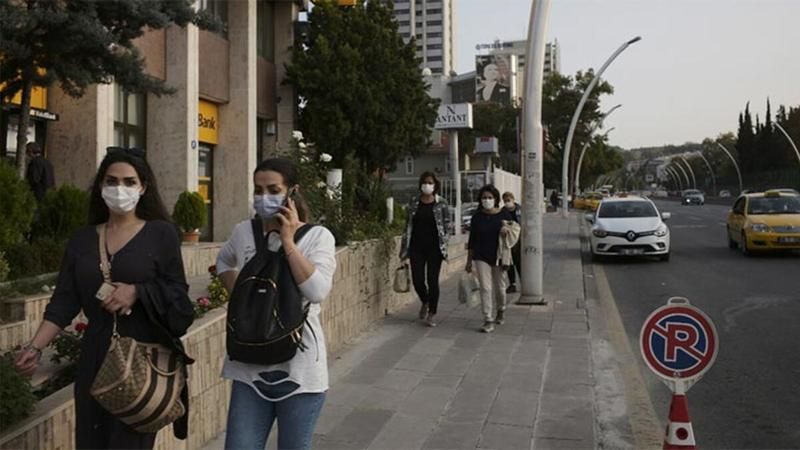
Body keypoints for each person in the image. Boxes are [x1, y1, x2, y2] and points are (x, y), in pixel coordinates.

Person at [14, 148, 194, 449]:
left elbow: (178, 293)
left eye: (128, 181)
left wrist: (137, 291)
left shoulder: (161, 234)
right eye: (111, 181)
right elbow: (63, 302)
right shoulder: (82, 239)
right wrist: (34, 348)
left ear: (143, 187)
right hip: (96, 358)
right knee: (91, 441)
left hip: (141, 359)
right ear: (100, 186)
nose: (119, 189)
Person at [217, 158, 336, 450]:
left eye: (273, 189)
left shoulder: (318, 237)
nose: (264, 198)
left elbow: (317, 290)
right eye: (258, 190)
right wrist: (241, 298)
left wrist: (288, 242)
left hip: (300, 371)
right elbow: (223, 261)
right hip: (248, 368)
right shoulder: (244, 232)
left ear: (291, 193)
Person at [399, 172, 451, 327]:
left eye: (430, 182)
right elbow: (407, 226)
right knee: (418, 280)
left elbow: (447, 226)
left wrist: (444, 244)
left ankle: (432, 313)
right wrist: (403, 250)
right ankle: (425, 301)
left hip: (435, 248)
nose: (427, 185)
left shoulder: (441, 203)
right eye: (425, 182)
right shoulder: (414, 203)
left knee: (432, 280)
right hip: (416, 247)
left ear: (435, 185)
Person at [465, 184, 515, 333]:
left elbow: (514, 230)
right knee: (486, 288)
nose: (487, 200)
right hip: (481, 256)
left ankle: (501, 309)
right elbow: (472, 239)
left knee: (500, 287)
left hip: (498, 256)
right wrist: (469, 261)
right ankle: (488, 319)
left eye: (490, 197)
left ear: (496, 199)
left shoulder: (503, 214)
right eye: (484, 198)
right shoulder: (477, 217)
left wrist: (506, 231)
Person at [502, 192, 522, 293]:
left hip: (519, 239)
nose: (507, 202)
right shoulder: (502, 211)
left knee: (519, 262)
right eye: (505, 201)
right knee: (509, 262)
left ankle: (524, 282)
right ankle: (512, 283)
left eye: (508, 200)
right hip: (508, 240)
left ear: (513, 199)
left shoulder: (520, 210)